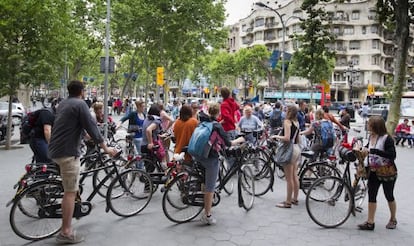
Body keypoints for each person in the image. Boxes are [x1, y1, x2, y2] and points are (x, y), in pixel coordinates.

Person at [48, 80, 117, 244]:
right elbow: (92, 127)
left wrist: (85, 137)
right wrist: (106, 149)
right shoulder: (80, 104)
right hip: (67, 152)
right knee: (70, 192)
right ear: (82, 91)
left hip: (55, 150)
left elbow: (74, 127)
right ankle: (65, 232)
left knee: (72, 186)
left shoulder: (64, 103)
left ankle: (75, 210)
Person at [197, 102, 244, 225]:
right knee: (210, 187)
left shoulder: (203, 122)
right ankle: (207, 215)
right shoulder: (217, 125)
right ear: (218, 113)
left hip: (199, 155)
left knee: (204, 180)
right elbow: (228, 143)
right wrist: (240, 140)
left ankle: (203, 203)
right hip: (210, 158)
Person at [358, 116, 397, 230]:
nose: (367, 125)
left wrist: (374, 151)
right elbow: (367, 148)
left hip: (387, 172)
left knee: (389, 195)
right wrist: (361, 149)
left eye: (369, 124)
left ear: (375, 126)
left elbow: (392, 155)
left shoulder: (387, 139)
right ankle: (370, 222)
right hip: (373, 171)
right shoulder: (371, 136)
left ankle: (393, 219)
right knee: (372, 195)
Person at [272, 105, 300, 208]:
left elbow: (287, 138)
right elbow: (297, 138)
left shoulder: (287, 122)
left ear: (289, 112)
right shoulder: (296, 122)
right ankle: (295, 199)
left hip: (289, 149)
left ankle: (288, 202)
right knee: (295, 176)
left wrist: (276, 136)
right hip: (296, 148)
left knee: (289, 178)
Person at [117, 100, 146, 168]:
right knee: (140, 154)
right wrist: (119, 124)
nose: (144, 108)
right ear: (138, 107)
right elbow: (125, 118)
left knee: (141, 154)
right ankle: (140, 170)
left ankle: (136, 167)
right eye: (143, 106)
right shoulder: (133, 114)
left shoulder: (144, 114)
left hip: (143, 137)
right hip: (136, 137)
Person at [141, 104, 163, 171]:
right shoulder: (157, 120)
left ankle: (147, 179)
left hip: (143, 145)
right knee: (152, 167)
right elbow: (148, 130)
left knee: (149, 167)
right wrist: (151, 143)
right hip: (149, 147)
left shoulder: (147, 118)